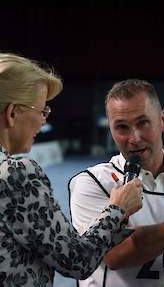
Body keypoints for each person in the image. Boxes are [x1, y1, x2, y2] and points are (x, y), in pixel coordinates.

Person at [0, 53, 143, 287]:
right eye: (42, 110)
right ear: (13, 113)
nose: (43, 121)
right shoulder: (15, 174)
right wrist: (117, 209)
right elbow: (77, 260)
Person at [69, 79, 164, 287]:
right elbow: (114, 256)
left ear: (162, 120)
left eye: (143, 123)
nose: (134, 138)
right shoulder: (93, 183)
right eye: (122, 127)